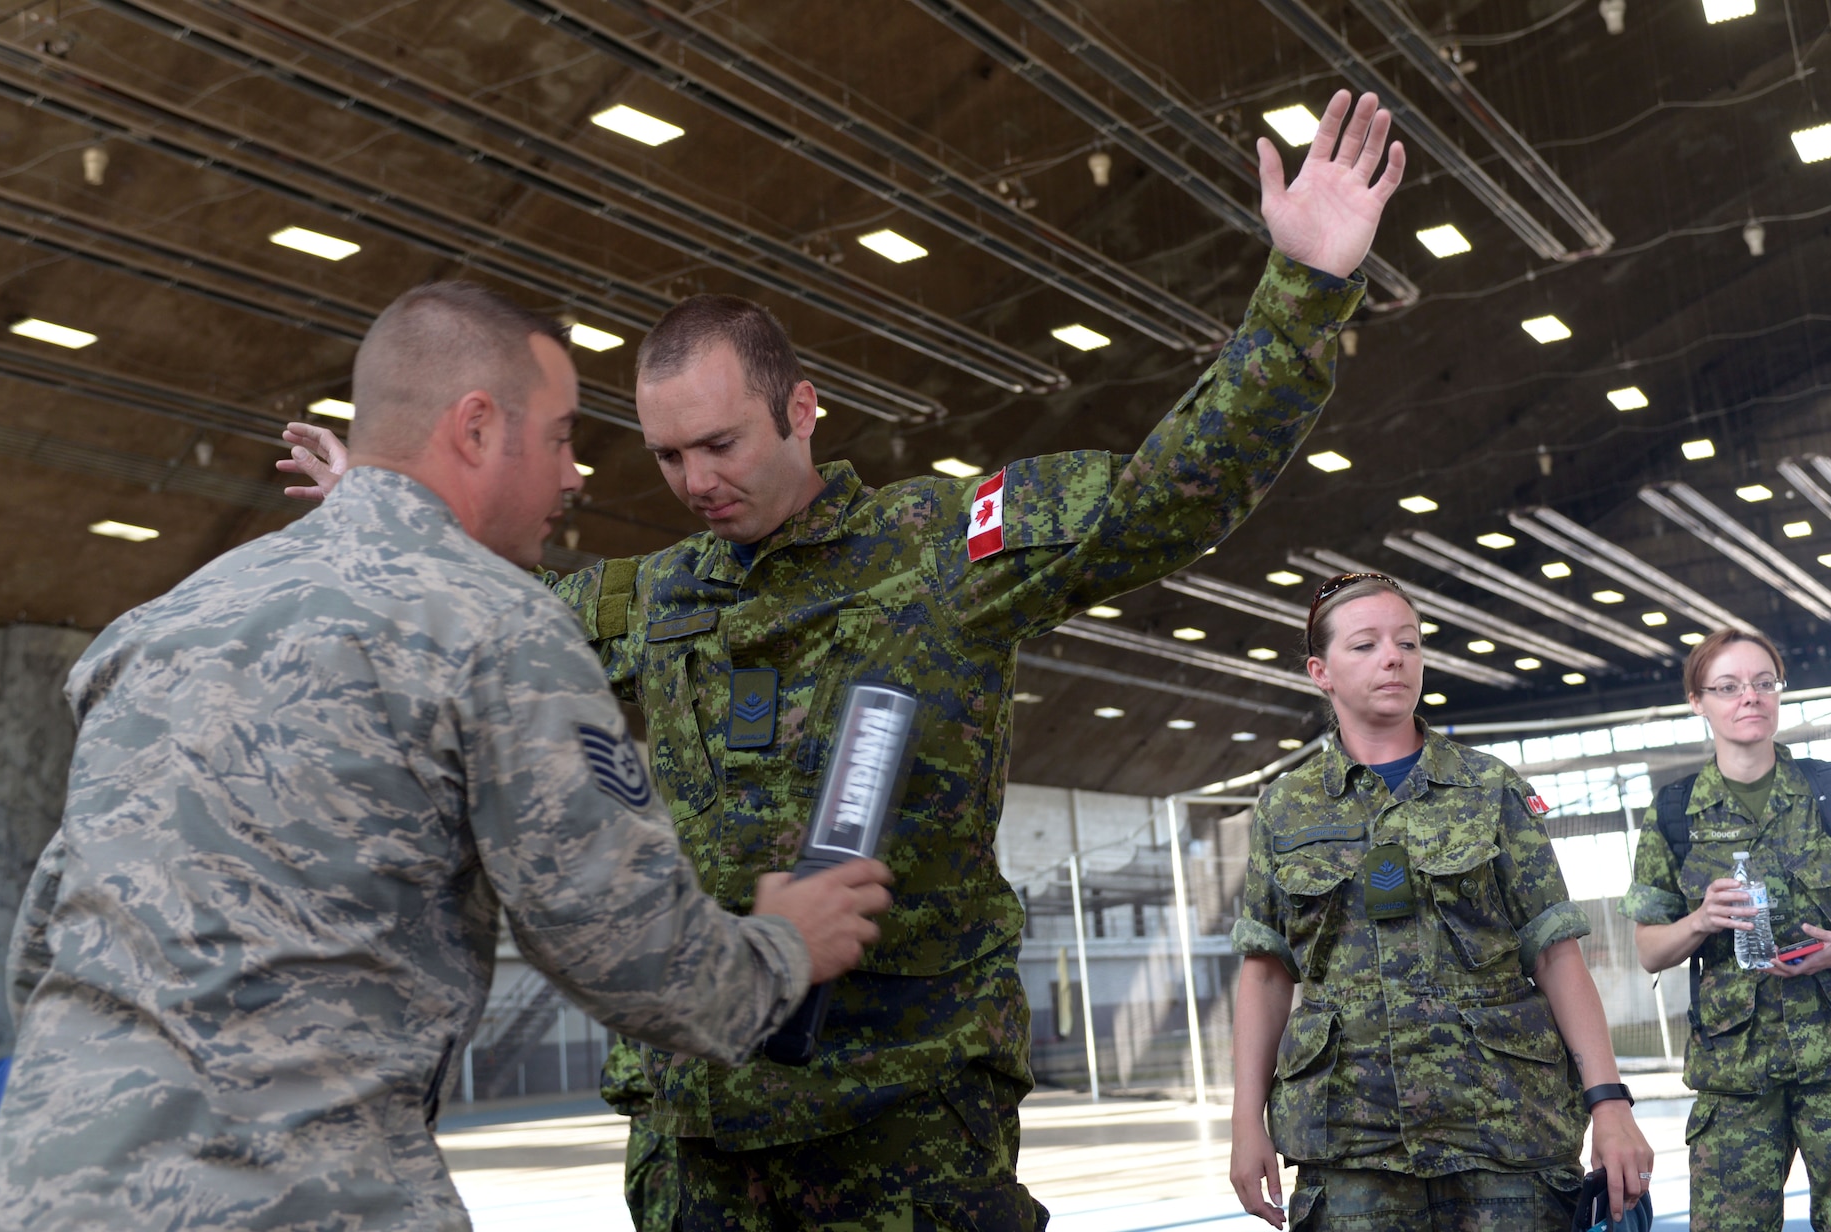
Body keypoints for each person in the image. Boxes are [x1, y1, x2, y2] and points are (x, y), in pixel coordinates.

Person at [282, 88, 1405, 1231]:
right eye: (668, 455)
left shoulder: (941, 548)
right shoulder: (655, 596)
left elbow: (1169, 497)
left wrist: (1301, 293)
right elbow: (488, 628)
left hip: (902, 1125)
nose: (694, 481)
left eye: (721, 443)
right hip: (700, 1135)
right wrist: (391, 513)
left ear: (802, 409)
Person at [0, 282, 892, 1232]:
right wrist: (786, 946)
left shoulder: (165, 623)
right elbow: (629, 951)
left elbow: (43, 943)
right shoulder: (499, 627)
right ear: (478, 429)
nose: (578, 475)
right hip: (298, 1198)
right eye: (562, 437)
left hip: (47, 1190)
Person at [1229, 573, 1654, 1231]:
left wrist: (1610, 1102)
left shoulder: (1490, 789)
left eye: (1408, 642)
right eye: (1365, 645)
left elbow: (1556, 953)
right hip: (1351, 1148)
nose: (1394, 657)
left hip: (1503, 1136)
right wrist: (1244, 1122)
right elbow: (1265, 972)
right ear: (1321, 671)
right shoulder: (1286, 809)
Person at [1621, 627, 1831, 1231]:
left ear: (1779, 693)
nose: (1750, 698)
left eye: (1764, 683)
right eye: (1728, 686)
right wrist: (1701, 919)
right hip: (1737, 1079)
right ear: (1697, 700)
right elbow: (1650, 950)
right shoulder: (1675, 812)